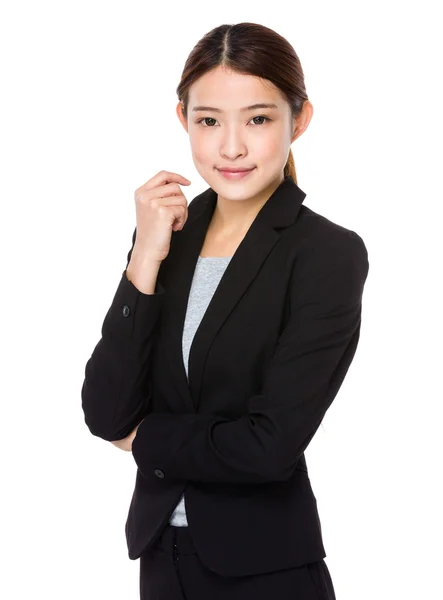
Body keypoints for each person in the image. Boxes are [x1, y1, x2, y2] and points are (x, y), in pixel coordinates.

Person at [81, 21, 369, 600]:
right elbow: (105, 412)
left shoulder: (325, 254)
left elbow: (268, 446)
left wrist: (145, 441)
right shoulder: (169, 239)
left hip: (267, 572)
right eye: (209, 120)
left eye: (258, 119)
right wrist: (144, 258)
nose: (231, 147)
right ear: (184, 119)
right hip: (163, 559)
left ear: (300, 120)